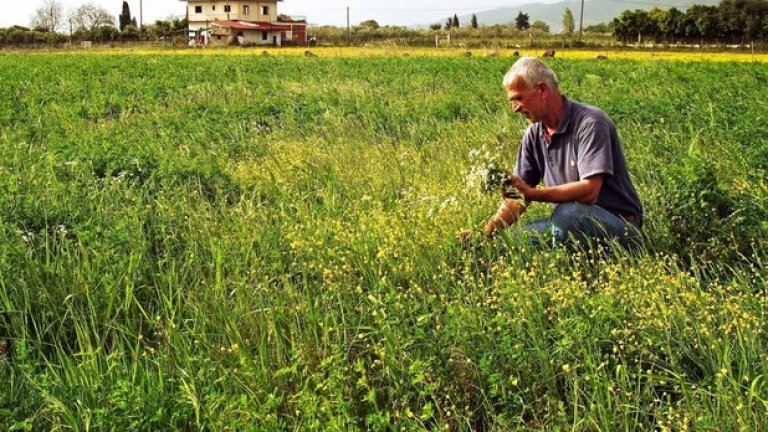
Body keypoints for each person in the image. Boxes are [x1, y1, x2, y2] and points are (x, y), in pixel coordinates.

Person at [483, 56, 643, 251]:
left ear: (542, 90)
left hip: (619, 226)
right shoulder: (534, 134)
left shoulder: (590, 123)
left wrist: (533, 193)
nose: (515, 108)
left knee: (567, 214)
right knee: (510, 243)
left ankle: (583, 263)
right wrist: (486, 233)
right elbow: (517, 197)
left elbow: (590, 191)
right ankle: (564, 258)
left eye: (518, 98)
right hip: (570, 221)